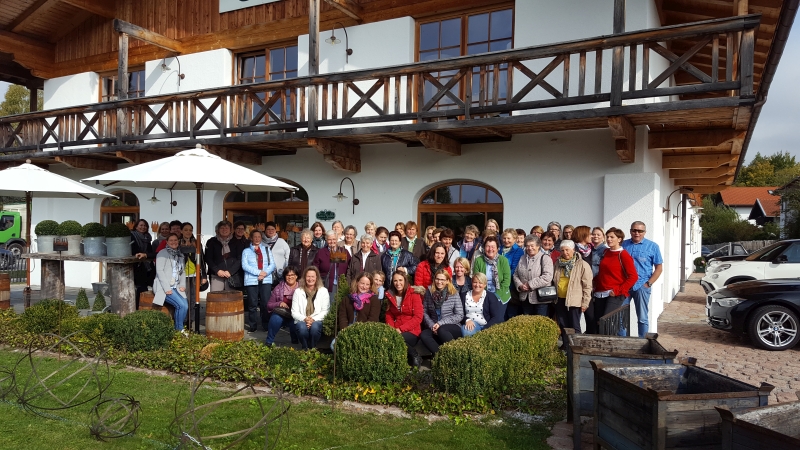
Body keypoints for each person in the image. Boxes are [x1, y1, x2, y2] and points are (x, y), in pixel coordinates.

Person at [622, 221, 663, 337]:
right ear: (630, 231)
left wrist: (648, 284)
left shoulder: (652, 246)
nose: (637, 233)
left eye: (640, 231)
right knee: (620, 317)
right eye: (634, 230)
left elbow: (659, 268)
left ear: (644, 232)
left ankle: (642, 343)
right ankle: (622, 341)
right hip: (625, 286)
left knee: (642, 317)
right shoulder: (623, 245)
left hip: (641, 286)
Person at [594, 228, 638, 334]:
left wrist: (618, 290)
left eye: (612, 237)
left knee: (608, 322)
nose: (609, 239)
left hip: (614, 294)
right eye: (607, 237)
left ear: (619, 239)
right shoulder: (605, 252)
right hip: (600, 292)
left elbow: (633, 276)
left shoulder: (623, 254)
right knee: (598, 321)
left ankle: (610, 347)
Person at [385, 270, 424, 368]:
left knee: (396, 339)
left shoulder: (414, 294)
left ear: (405, 280)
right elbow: (389, 314)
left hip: (412, 330)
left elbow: (418, 317)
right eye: (395, 281)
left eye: (400, 280)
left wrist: (400, 329)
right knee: (389, 338)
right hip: (396, 328)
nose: (398, 283)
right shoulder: (391, 295)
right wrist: (392, 329)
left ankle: (415, 355)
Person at [553, 240, 592, 336]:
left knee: (574, 326)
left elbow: (587, 286)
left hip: (574, 300)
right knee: (563, 325)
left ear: (573, 250)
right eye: (562, 250)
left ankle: (576, 348)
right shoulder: (557, 264)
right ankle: (567, 346)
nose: (565, 253)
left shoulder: (582, 264)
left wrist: (585, 302)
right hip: (560, 299)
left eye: (567, 250)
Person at [420, 269, 464, 354]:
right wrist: (432, 325)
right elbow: (424, 311)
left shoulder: (454, 293)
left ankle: (453, 354)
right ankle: (439, 356)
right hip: (434, 325)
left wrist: (440, 323)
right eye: (437, 279)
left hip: (451, 326)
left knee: (442, 330)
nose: (439, 282)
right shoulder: (429, 292)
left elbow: (459, 315)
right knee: (424, 335)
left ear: (447, 281)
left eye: (442, 280)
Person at [510, 235, 554, 317]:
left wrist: (530, 284)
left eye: (532, 246)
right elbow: (515, 274)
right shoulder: (522, 258)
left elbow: (547, 276)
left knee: (540, 324)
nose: (529, 248)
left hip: (540, 299)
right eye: (527, 246)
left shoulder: (545, 258)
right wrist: (520, 285)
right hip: (525, 298)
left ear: (538, 246)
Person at [153, 233, 188, 332]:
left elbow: (183, 271)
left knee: (185, 306)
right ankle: (179, 330)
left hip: (176, 286)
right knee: (180, 305)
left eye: (175, 240)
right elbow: (159, 271)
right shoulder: (162, 253)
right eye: (171, 240)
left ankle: (178, 329)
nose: (173, 242)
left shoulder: (180, 254)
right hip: (164, 287)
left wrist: (182, 284)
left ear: (178, 241)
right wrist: (166, 288)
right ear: (167, 242)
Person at [242, 230, 276, 332]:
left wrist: (264, 273)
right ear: (251, 238)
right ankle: (253, 325)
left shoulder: (266, 249)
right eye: (255, 237)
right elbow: (245, 266)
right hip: (252, 280)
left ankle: (265, 324)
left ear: (261, 238)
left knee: (265, 303)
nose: (257, 239)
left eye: (259, 237)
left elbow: (272, 264)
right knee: (252, 304)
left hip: (266, 279)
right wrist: (259, 273)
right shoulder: (246, 251)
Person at [291, 266, 330, 350]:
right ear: (304, 277)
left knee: (315, 328)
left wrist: (312, 319)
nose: (310, 279)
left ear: (317, 277)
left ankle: (312, 348)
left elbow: (325, 311)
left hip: (317, 319)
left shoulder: (323, 291)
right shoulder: (298, 291)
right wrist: (305, 319)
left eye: (313, 276)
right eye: (308, 276)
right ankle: (305, 348)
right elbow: (294, 312)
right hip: (302, 318)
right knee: (302, 328)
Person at [471, 236, 511, 317]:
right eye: (488, 246)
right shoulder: (479, 260)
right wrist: (486, 296)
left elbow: (506, 281)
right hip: (483, 295)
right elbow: (476, 279)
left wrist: (495, 296)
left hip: (501, 295)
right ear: (484, 248)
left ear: (497, 248)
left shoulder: (503, 260)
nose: (490, 249)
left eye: (493, 247)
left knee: (497, 319)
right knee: (485, 319)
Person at [205, 220, 245, 292]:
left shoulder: (236, 242)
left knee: (231, 299)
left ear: (230, 230)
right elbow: (208, 258)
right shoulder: (212, 241)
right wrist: (217, 270)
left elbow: (240, 259)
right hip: (217, 275)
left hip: (232, 275)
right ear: (218, 230)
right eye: (222, 228)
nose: (224, 230)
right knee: (216, 298)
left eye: (226, 228)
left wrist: (230, 271)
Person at [461, 272, 504, 337]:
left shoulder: (491, 296)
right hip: (471, 324)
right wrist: (467, 320)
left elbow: (496, 317)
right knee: (466, 330)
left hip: (487, 325)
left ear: (485, 285)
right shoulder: (464, 296)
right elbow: (459, 313)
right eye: (475, 282)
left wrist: (485, 330)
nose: (477, 285)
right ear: (472, 283)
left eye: (480, 283)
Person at [265, 266, 300, 345]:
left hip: (296, 315)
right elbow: (269, 305)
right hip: (282, 314)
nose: (290, 277)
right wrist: (279, 303)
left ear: (296, 276)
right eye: (288, 275)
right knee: (275, 318)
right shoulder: (278, 288)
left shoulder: (302, 288)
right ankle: (269, 341)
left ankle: (295, 340)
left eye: (292, 275)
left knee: (295, 322)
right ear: (284, 277)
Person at [179, 222, 208, 313]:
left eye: (190, 230)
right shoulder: (178, 242)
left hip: (195, 274)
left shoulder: (196, 243)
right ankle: (184, 319)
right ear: (181, 231)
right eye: (186, 230)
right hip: (182, 275)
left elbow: (202, 260)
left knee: (193, 298)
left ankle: (191, 321)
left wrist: (204, 276)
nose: (188, 232)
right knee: (184, 298)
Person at [312, 230, 351, 295]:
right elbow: (315, 268)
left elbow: (350, 267)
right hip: (326, 284)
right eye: (329, 239)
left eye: (334, 239)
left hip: (341, 284)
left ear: (337, 239)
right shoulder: (321, 252)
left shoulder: (343, 251)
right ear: (326, 240)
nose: (332, 241)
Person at [131, 219, 156, 307]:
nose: (143, 227)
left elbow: (150, 252)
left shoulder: (147, 237)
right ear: (136, 226)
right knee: (140, 288)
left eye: (145, 225)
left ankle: (147, 306)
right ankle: (138, 307)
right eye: (141, 225)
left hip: (148, 266)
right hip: (138, 266)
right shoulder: (132, 236)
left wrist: (146, 255)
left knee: (152, 287)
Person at [262, 221, 290, 286]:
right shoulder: (261, 243)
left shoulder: (281, 242)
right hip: (265, 275)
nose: (270, 231)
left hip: (280, 275)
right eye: (268, 229)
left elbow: (288, 256)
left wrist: (285, 269)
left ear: (275, 231)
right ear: (265, 230)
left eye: (272, 229)